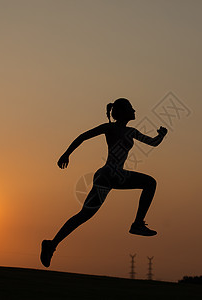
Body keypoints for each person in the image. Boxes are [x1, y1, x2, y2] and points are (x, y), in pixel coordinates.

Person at [40, 98, 167, 267]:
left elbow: (152, 143)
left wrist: (161, 135)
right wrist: (66, 154)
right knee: (150, 183)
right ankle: (137, 224)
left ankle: (52, 244)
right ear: (122, 112)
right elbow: (83, 137)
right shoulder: (110, 128)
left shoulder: (132, 131)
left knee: (84, 214)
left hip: (110, 176)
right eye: (131, 108)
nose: (135, 111)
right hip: (109, 174)